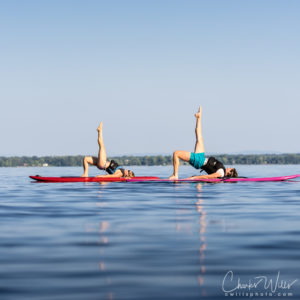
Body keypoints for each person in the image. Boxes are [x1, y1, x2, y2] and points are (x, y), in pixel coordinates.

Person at [168, 107, 238, 180]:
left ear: (230, 173)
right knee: (199, 137)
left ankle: (175, 175)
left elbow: (209, 176)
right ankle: (199, 118)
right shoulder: (222, 170)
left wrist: (195, 178)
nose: (229, 167)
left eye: (230, 169)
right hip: (201, 157)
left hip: (199, 161)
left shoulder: (221, 173)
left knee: (176, 153)